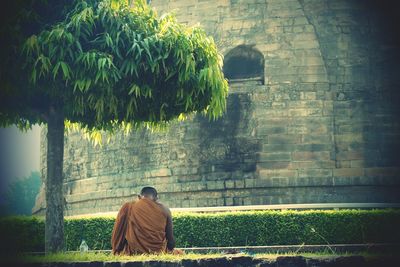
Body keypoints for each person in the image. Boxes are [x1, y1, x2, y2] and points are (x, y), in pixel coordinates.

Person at [111, 186, 180, 255]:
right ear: (156, 198)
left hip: (133, 253)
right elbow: (171, 242)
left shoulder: (128, 207)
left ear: (139, 197)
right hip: (158, 252)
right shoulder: (165, 210)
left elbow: (117, 238)